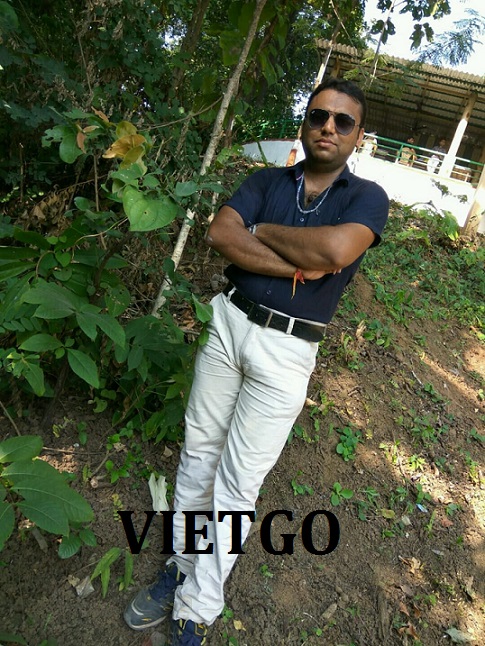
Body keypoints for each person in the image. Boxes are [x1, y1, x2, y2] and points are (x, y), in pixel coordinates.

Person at [123, 77, 389, 645]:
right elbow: (222, 234)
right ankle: (180, 566)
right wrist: (294, 261)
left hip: (288, 349)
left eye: (343, 121)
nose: (328, 127)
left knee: (238, 482)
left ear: (358, 135)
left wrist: (259, 231)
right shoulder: (265, 181)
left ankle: (199, 604)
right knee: (198, 454)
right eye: (319, 115)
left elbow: (335, 250)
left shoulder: (367, 198)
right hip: (229, 324)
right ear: (305, 121)